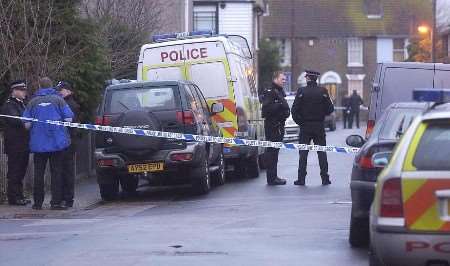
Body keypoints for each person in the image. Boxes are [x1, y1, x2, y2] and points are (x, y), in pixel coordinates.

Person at [23, 77, 74, 210]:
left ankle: (37, 203)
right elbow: (69, 118)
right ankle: (55, 202)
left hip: (38, 145)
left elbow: (27, 124)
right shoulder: (59, 100)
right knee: (56, 173)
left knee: (38, 174)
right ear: (51, 86)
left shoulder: (32, 102)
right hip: (57, 143)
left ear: (40, 86)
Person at [291, 70, 334, 186]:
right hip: (319, 126)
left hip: (305, 126)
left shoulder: (301, 91)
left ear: (308, 78)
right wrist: (321, 115)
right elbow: (330, 109)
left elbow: (294, 110)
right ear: (316, 78)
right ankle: (325, 178)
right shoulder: (323, 91)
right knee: (322, 152)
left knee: (303, 153)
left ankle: (301, 179)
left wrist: (301, 123)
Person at [1, 80, 31, 205]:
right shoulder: (9, 105)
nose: (24, 92)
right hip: (15, 144)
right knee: (15, 171)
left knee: (21, 170)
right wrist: (26, 123)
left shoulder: (22, 104)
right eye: (22, 90)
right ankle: (14, 197)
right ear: (14, 91)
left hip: (23, 143)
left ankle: (19, 195)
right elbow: (16, 121)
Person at [261, 71, 290, 186]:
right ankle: (271, 178)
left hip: (278, 125)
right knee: (272, 153)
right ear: (275, 79)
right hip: (273, 126)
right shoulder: (271, 92)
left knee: (275, 153)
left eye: (284, 79)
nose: (284, 81)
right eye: (282, 79)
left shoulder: (278, 91)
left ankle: (274, 176)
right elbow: (266, 110)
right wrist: (280, 106)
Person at [56, 81, 80, 208]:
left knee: (67, 171)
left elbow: (70, 125)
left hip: (68, 142)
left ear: (68, 91)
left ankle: (68, 198)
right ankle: (64, 197)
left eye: (61, 90)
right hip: (65, 141)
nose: (59, 92)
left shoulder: (70, 105)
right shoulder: (65, 103)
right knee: (64, 171)